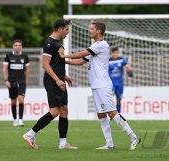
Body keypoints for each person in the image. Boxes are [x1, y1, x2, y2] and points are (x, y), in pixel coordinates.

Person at [59, 22, 140, 150]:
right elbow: (81, 61)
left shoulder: (101, 45)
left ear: (98, 31)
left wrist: (64, 55)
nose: (89, 31)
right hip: (96, 86)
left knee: (112, 113)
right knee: (101, 114)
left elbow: (81, 54)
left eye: (92, 29)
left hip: (103, 85)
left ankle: (133, 136)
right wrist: (63, 60)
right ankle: (109, 144)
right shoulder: (95, 46)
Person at [23, 19, 77, 150]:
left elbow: (55, 63)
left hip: (59, 80)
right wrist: (57, 80)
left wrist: (63, 76)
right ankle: (30, 134)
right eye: (66, 29)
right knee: (56, 111)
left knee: (62, 110)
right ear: (59, 29)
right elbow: (45, 64)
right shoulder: (49, 43)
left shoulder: (58, 43)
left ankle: (63, 143)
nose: (68, 32)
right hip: (52, 81)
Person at [3, 39, 29, 127]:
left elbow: (26, 70)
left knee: (21, 99)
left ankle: (21, 120)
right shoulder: (8, 56)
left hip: (21, 82)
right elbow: (4, 68)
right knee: (13, 101)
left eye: (19, 45)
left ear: (21, 47)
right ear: (13, 46)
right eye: (16, 45)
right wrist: (6, 80)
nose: (17, 47)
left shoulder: (25, 57)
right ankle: (15, 120)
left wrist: (26, 81)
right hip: (11, 82)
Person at [108, 47, 133, 113]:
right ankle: (111, 113)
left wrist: (130, 70)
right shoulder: (108, 61)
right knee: (110, 97)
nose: (115, 54)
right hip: (111, 82)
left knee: (119, 99)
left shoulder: (121, 59)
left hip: (119, 82)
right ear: (111, 53)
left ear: (118, 53)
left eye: (116, 53)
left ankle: (118, 113)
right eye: (113, 53)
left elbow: (127, 65)